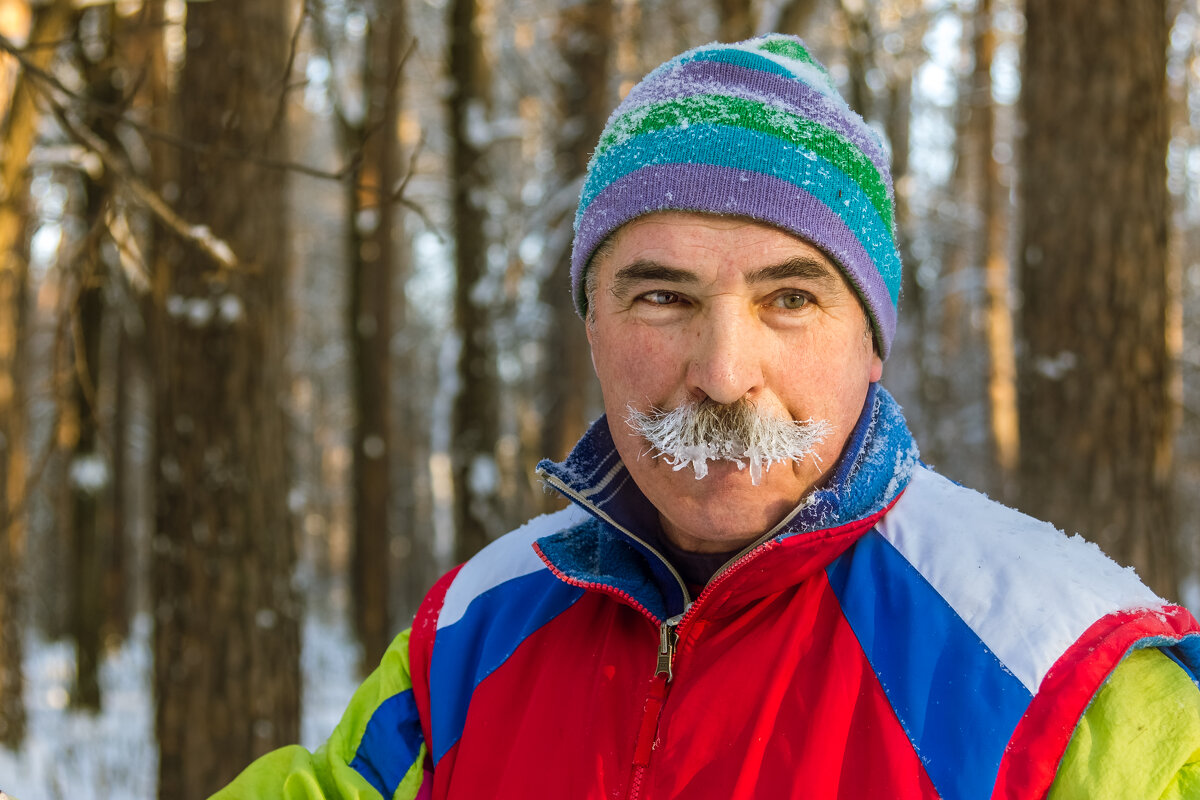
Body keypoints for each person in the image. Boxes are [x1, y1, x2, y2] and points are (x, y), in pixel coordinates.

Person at [213, 34, 1200, 799]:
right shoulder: (470, 633)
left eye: (791, 297)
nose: (725, 374)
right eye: (661, 297)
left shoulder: (1068, 676)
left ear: (871, 340)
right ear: (591, 328)